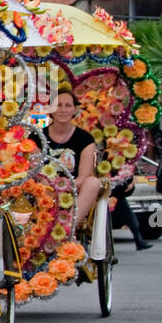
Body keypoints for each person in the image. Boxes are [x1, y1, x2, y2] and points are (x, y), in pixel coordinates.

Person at [42, 89, 101, 230]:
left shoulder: (85, 139)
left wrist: (64, 187)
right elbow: (36, 171)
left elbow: (84, 176)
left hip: (74, 190)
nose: (63, 110)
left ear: (74, 110)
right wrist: (51, 187)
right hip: (45, 189)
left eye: (68, 106)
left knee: (93, 182)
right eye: (58, 105)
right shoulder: (37, 136)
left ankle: (67, 229)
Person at [110, 174, 152, 250]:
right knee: (109, 222)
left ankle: (140, 242)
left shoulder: (123, 172)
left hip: (119, 198)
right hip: (111, 198)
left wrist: (131, 184)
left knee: (132, 220)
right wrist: (128, 185)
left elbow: (125, 191)